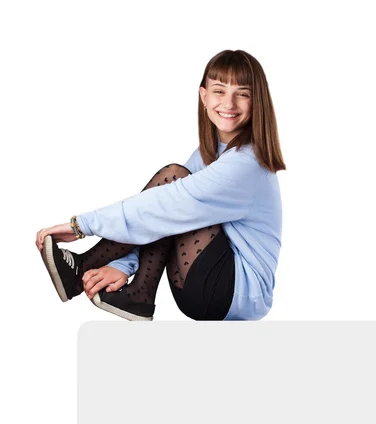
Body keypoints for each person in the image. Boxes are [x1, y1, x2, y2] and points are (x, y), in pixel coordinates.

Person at [36, 49, 286, 321]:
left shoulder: (247, 163)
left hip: (236, 291)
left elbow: (169, 204)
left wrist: (81, 225)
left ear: (256, 101)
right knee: (172, 198)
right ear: (203, 96)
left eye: (243, 93)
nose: (229, 103)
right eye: (219, 91)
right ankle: (140, 294)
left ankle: (87, 266)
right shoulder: (210, 153)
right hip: (202, 283)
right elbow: (162, 215)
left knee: (174, 184)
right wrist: (123, 265)